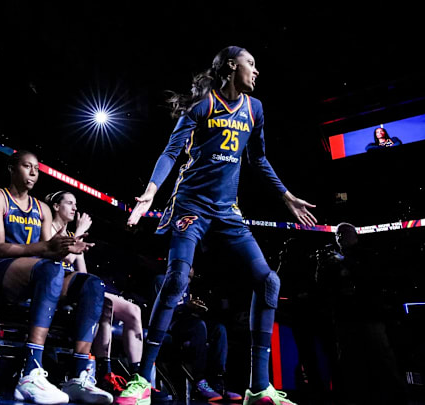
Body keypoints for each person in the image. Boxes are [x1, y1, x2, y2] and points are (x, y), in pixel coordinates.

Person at [117, 45, 316, 405]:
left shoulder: (255, 109)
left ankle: (258, 388)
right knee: (177, 277)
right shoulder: (203, 105)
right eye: (250, 64)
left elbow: (258, 158)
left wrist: (286, 196)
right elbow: (171, 151)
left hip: (227, 211)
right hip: (191, 205)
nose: (256, 71)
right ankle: (142, 379)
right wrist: (149, 194)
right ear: (230, 66)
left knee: (269, 281)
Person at [0, 151, 112, 405]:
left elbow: (48, 252)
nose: (32, 172)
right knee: (50, 269)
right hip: (1, 267)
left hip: (38, 271)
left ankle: (78, 375)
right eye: (26, 166)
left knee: (92, 284)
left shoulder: (41, 208)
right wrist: (47, 250)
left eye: (36, 169)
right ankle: (30, 372)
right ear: (12, 168)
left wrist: (65, 248)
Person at [45, 190, 144, 395]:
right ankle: (104, 372)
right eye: (69, 203)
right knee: (105, 305)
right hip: (53, 286)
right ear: (56, 206)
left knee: (133, 310)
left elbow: (84, 275)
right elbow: (63, 259)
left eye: (76, 204)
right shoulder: (47, 229)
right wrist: (79, 232)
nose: (74, 208)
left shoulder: (74, 237)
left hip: (76, 291)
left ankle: (139, 377)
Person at [315, 223, 406, 404]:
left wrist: (343, 263)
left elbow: (371, 279)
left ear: (354, 235)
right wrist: (322, 266)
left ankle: (397, 397)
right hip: (345, 318)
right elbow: (322, 287)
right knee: (351, 363)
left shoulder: (365, 254)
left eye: (343, 234)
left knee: (382, 360)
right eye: (337, 235)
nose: (339, 238)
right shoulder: (333, 259)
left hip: (368, 316)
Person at [153, 268, 242, 402]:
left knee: (219, 329)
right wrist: (186, 307)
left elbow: (186, 310)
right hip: (169, 324)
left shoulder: (187, 284)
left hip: (186, 320)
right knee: (199, 326)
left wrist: (195, 308)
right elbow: (165, 307)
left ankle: (218, 382)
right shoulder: (162, 279)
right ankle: (199, 381)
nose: (191, 270)